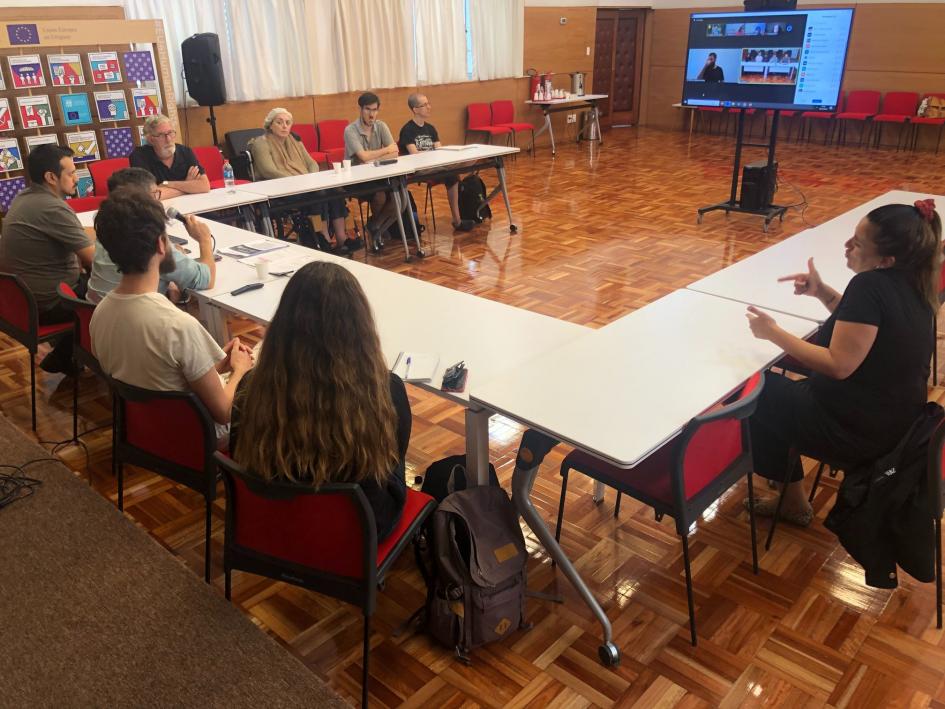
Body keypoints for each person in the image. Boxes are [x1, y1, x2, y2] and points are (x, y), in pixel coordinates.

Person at [745, 200, 942, 525]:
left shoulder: (869, 286)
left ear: (885, 260)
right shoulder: (915, 283)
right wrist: (822, 292)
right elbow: (862, 325)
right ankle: (784, 472)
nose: (847, 246)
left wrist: (772, 332)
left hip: (859, 434)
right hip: (897, 426)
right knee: (778, 393)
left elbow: (839, 364)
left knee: (758, 394)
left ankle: (793, 501)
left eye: (858, 243)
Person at [230, 261, 411, 540]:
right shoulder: (386, 390)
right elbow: (392, 456)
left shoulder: (251, 386)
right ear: (360, 328)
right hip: (360, 528)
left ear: (283, 325)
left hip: (273, 516)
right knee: (392, 456)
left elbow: (239, 452)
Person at [90, 187, 253, 440]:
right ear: (161, 244)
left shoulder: (100, 313)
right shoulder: (177, 326)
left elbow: (160, 375)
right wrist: (239, 371)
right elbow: (223, 412)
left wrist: (219, 367)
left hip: (148, 431)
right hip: (198, 434)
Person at [0, 144, 94, 374]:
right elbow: (94, 260)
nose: (75, 178)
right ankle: (80, 355)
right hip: (50, 303)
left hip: (20, 302)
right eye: (71, 173)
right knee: (117, 287)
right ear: (51, 177)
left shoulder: (26, 197)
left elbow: (78, 237)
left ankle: (68, 354)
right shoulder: (52, 208)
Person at [87, 167, 216, 303]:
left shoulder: (107, 228)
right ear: (142, 200)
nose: (158, 201)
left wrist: (169, 261)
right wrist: (204, 240)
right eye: (155, 194)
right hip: (136, 318)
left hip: (97, 314)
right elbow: (206, 279)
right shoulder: (149, 240)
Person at [249, 107, 360, 253]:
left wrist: (311, 179)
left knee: (335, 190)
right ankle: (323, 238)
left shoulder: (295, 140)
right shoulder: (260, 143)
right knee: (319, 194)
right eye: (279, 122)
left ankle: (342, 238)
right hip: (280, 189)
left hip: (304, 185)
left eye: (288, 123)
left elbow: (311, 163)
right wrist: (298, 182)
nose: (284, 126)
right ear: (270, 124)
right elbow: (268, 171)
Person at [398, 93, 475, 232]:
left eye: (428, 103)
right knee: (451, 173)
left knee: (454, 173)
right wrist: (434, 156)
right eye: (424, 105)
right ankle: (458, 221)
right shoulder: (407, 130)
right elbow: (414, 155)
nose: (429, 107)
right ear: (415, 109)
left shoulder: (430, 128)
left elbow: (439, 150)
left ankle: (457, 220)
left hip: (435, 165)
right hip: (418, 169)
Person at [344, 92, 401, 245]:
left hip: (379, 174)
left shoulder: (381, 126)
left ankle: (375, 225)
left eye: (375, 110)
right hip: (357, 178)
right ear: (360, 109)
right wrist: (385, 150)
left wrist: (374, 158)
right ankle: (378, 230)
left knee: (401, 196)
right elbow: (362, 157)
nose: (372, 114)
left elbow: (395, 152)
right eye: (368, 109)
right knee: (380, 195)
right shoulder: (350, 130)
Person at [130, 114, 210, 199]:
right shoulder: (139, 156)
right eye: (161, 135)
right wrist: (187, 185)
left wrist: (167, 184)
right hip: (159, 210)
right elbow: (151, 195)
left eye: (170, 133)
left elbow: (204, 186)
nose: (168, 139)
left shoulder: (186, 152)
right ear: (150, 139)